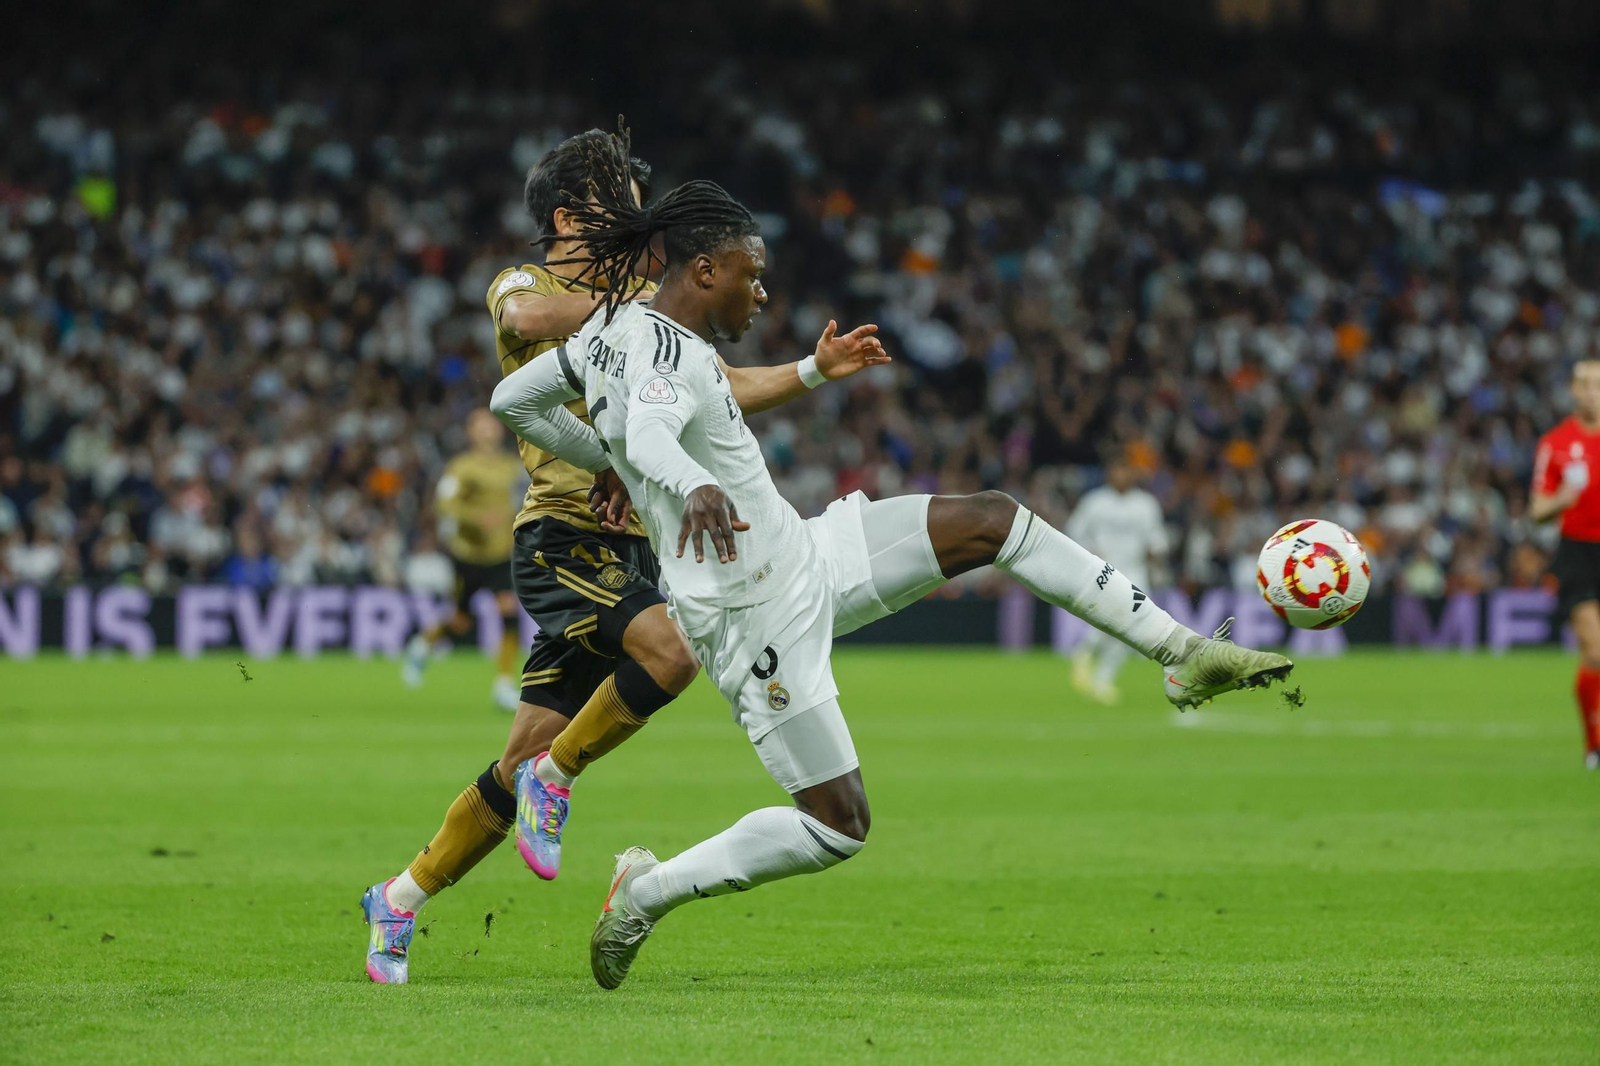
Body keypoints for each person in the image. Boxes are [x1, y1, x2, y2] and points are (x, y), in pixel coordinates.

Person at [491, 128, 1294, 989]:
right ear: (704, 272)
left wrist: (607, 454)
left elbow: (515, 398)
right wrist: (683, 486)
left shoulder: (617, 334)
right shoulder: (663, 352)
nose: (762, 291)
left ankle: (1182, 656)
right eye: (751, 273)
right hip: (748, 617)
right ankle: (646, 893)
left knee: (992, 518)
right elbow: (650, 428)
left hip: (806, 551)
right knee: (839, 826)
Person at [360, 122, 890, 985]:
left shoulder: (645, 308)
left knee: (516, 760)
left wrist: (813, 372)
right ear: (570, 216)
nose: (640, 226)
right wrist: (643, 311)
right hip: (562, 535)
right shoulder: (526, 283)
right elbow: (528, 320)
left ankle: (399, 899)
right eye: (623, 206)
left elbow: (714, 385)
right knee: (667, 653)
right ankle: (558, 781)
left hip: (633, 545)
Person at [401, 408, 527, 710]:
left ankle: (504, 684)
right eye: (480, 425)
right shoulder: (462, 467)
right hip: (468, 555)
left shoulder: (511, 466)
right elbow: (445, 504)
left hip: (500, 555)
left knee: (508, 612)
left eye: (491, 424)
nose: (488, 430)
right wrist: (476, 519)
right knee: (460, 621)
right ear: (471, 432)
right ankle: (422, 645)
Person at [1530, 359, 1600, 771]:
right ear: (1572, 391)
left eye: (1597, 384)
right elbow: (1537, 508)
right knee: (1595, 649)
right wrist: (1565, 497)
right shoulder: (1555, 443)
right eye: (1584, 384)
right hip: (1577, 553)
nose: (1591, 390)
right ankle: (1594, 745)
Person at [1065, 458, 1170, 704]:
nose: (1120, 474)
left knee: (1131, 629)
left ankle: (1098, 672)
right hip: (1104, 571)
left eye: (1124, 469)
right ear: (1109, 472)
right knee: (1115, 620)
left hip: (1136, 573)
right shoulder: (1095, 502)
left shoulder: (1146, 504)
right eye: (1116, 468)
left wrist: (1155, 553)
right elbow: (1074, 531)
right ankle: (1087, 655)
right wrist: (1089, 552)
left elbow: (1157, 540)